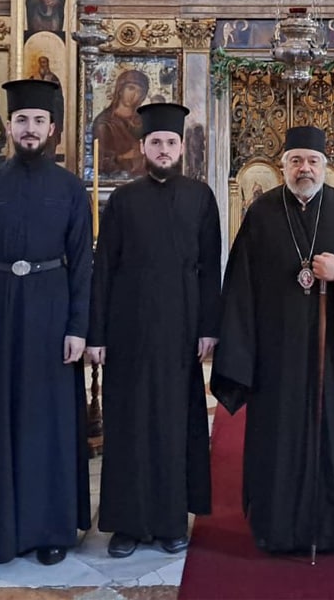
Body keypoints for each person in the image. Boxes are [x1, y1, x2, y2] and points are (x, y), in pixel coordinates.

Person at [212, 126, 334, 555]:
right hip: (277, 352)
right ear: (282, 166)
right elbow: (240, 285)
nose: (304, 168)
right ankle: (275, 527)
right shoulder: (261, 213)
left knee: (333, 435)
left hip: (333, 350)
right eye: (296, 161)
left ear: (325, 166)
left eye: (312, 161)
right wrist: (242, 352)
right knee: (278, 436)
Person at [0, 78, 92, 571]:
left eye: (39, 120)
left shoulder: (70, 189)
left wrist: (78, 327)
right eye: (22, 120)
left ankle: (50, 531)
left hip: (51, 313)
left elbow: (83, 264)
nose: (30, 129)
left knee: (46, 424)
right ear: (9, 127)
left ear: (52, 129)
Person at [89, 102, 222, 559]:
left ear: (181, 148)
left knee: (172, 425)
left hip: (180, 328)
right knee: (127, 425)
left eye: (170, 142)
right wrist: (97, 333)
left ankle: (170, 522)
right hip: (127, 328)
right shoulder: (123, 200)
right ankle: (127, 525)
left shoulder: (201, 197)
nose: (163, 149)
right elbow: (104, 268)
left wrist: (208, 327)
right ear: (143, 147)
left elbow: (210, 267)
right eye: (156, 142)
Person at [92, 69, 150, 177]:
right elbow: (101, 161)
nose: (134, 95)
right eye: (130, 88)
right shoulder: (104, 122)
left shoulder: (144, 120)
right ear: (120, 89)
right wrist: (123, 156)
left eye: (139, 91)